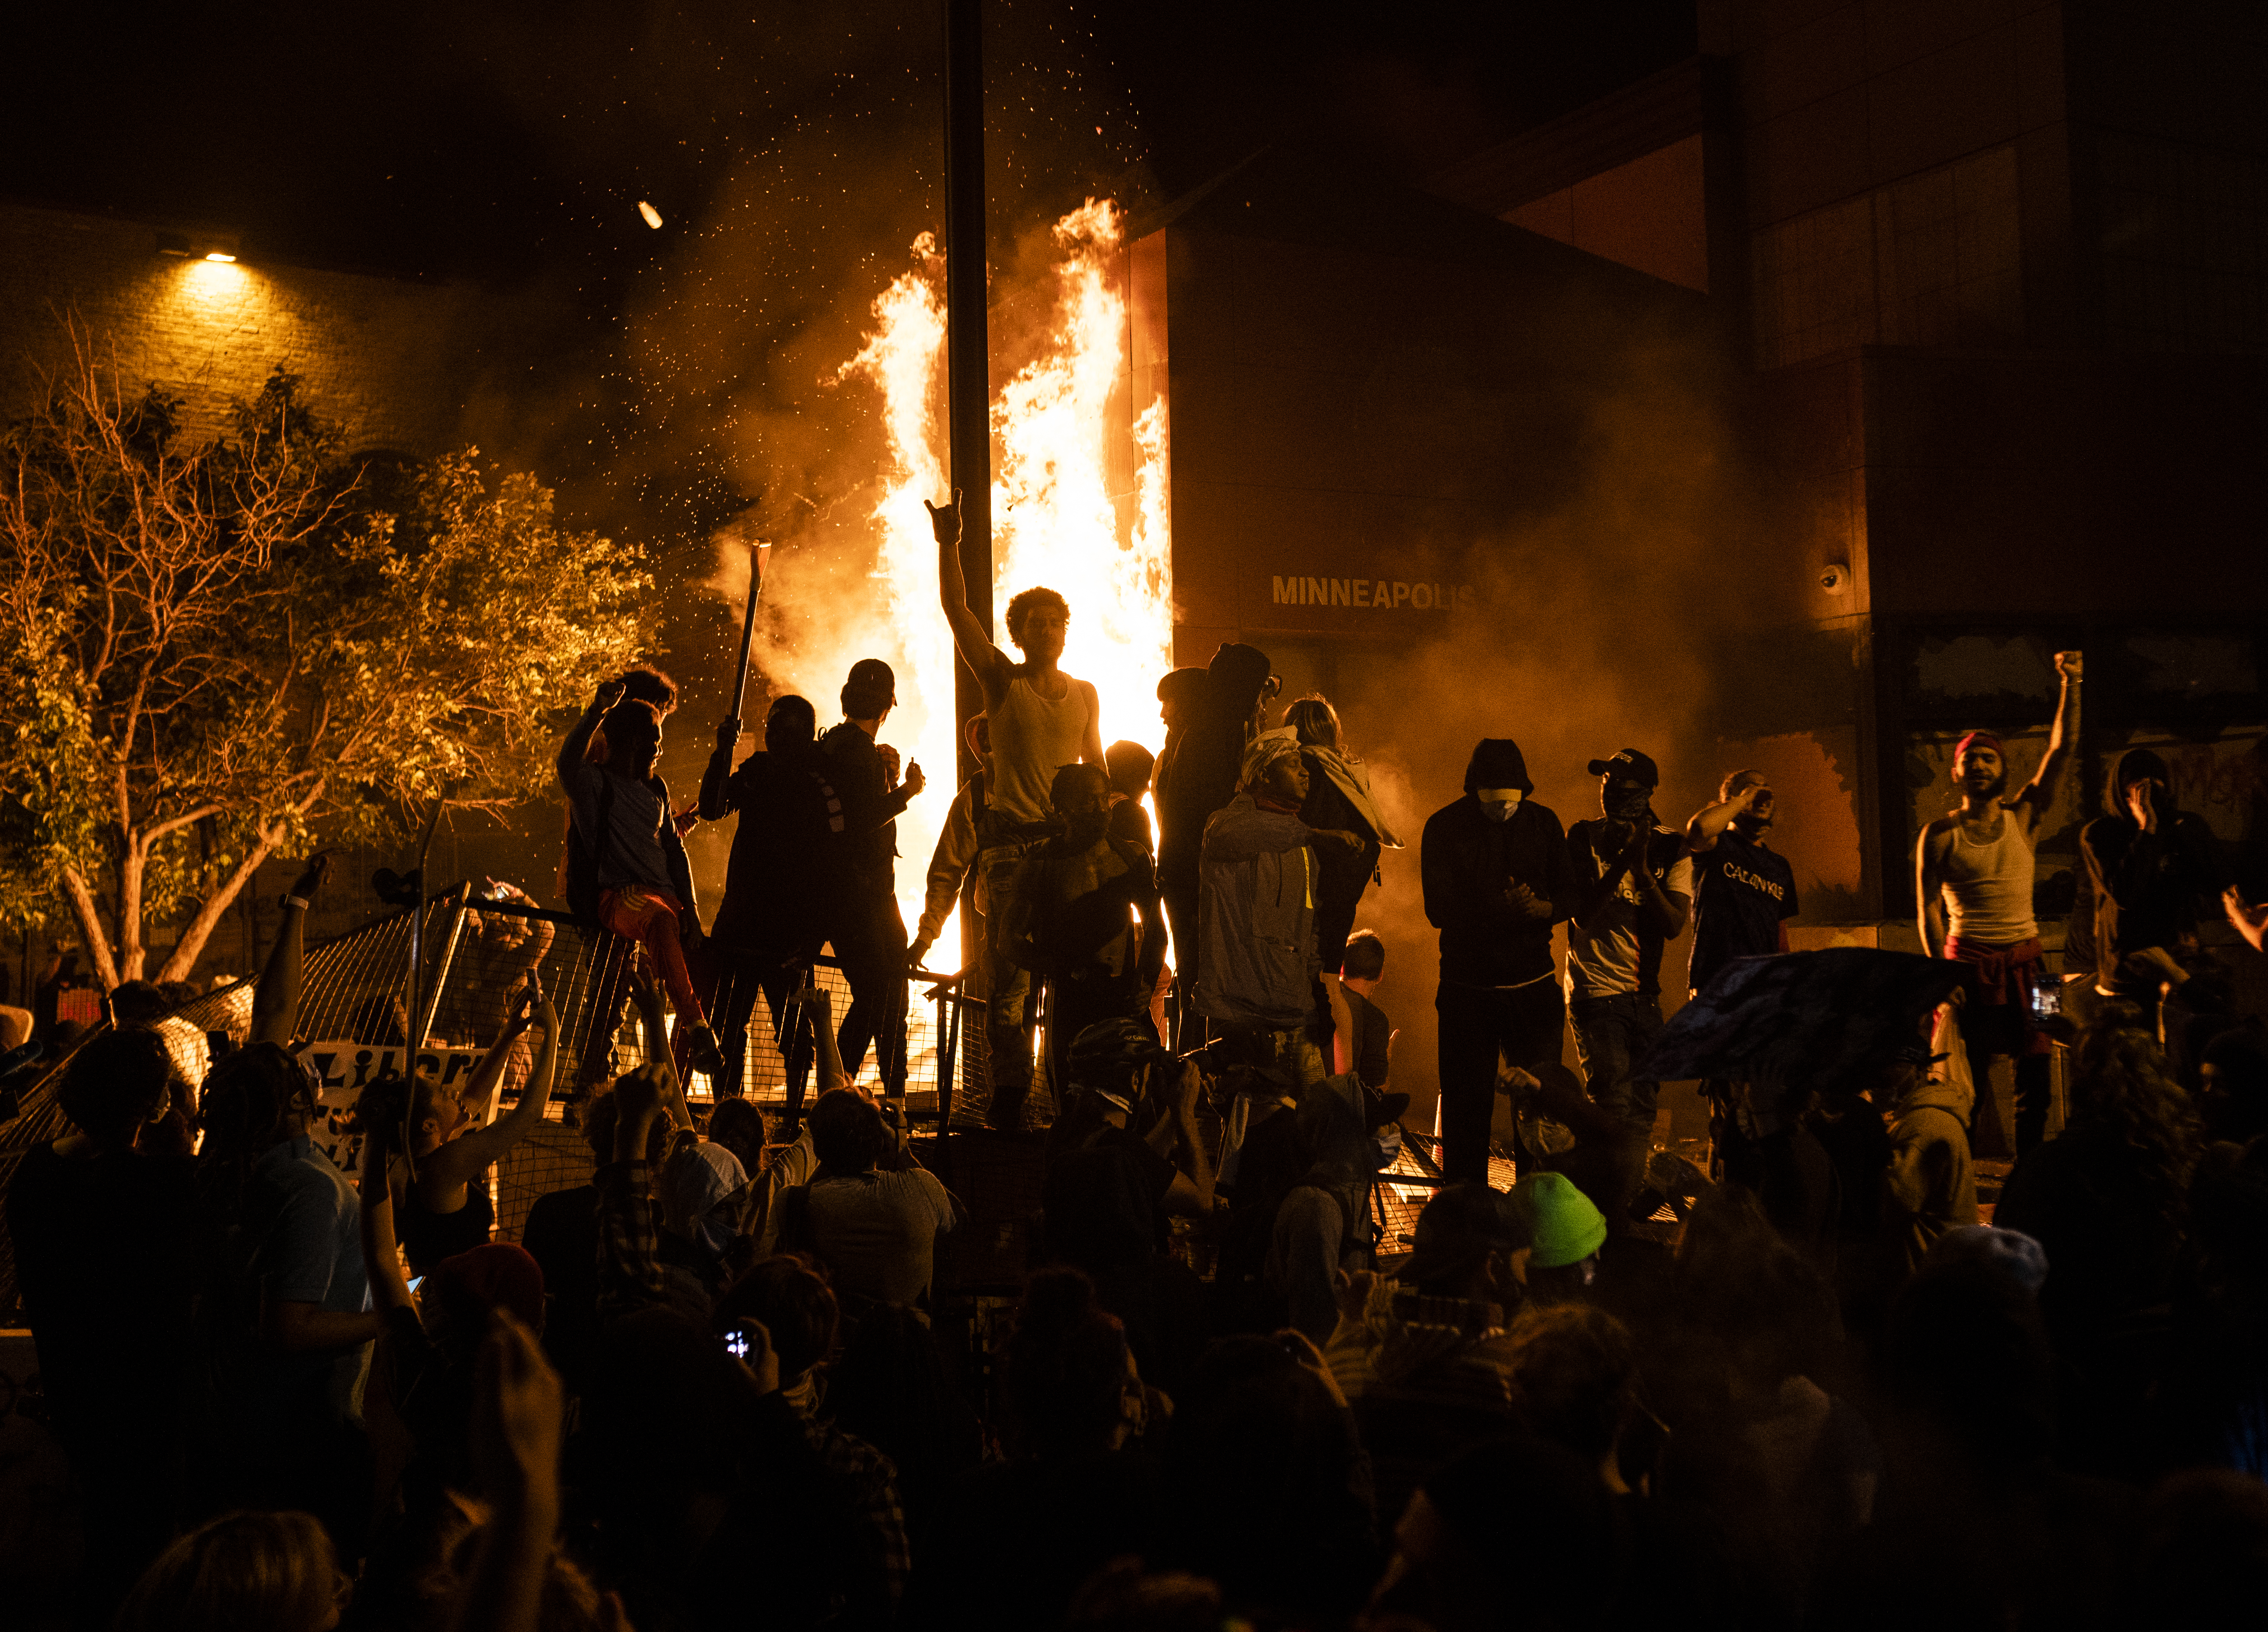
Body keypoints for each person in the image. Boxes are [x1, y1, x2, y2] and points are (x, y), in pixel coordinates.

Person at [6, 1024, 198, 1613]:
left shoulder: (38, 1172)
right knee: (147, 1542)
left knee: (107, 1527)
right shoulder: (166, 1185)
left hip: (72, 1383)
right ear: (157, 1102)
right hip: (149, 1395)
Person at [930, 494, 1104, 1127]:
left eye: (1054, 621)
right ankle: (1010, 1094)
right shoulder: (1003, 683)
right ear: (1019, 634)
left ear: (1065, 629)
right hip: (1010, 856)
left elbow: (1098, 771)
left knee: (1071, 976)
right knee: (1009, 984)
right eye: (1034, 622)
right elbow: (957, 612)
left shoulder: (1085, 694)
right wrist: (948, 546)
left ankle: (1068, 1089)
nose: (1046, 631)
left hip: (1067, 855)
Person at [1916, 651, 2082, 1156]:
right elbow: (1927, 910)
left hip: (2035, 965)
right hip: (1969, 967)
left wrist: (2071, 684)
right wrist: (1941, 980)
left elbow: (2063, 748)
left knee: (2040, 1074)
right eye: (1971, 758)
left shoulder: (2025, 816)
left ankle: (2032, 1173)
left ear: (2003, 769)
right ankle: (1963, 1181)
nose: (1980, 765)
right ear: (1956, 772)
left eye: (1989, 757)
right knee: (1968, 1086)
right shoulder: (1939, 835)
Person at [1421, 737, 1576, 1184]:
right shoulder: (1444, 827)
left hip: (1532, 987)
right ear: (1474, 792)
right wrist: (1499, 907)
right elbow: (1438, 909)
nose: (1503, 811)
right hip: (1468, 990)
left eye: (1511, 803)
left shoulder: (1544, 823)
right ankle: (1466, 1212)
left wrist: (1542, 909)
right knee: (1466, 1106)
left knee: (1540, 1106)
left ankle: (1537, 1203)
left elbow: (1569, 895)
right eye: (1493, 804)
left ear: (1524, 793)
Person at [557, 677, 723, 1080]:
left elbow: (670, 850)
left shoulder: (656, 788)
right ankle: (696, 1030)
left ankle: (616, 1079)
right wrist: (598, 710)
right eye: (655, 738)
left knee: (625, 991)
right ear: (633, 741)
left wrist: (693, 913)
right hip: (618, 899)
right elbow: (567, 764)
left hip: (657, 895)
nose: (660, 749)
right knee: (611, 990)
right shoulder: (594, 783)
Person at [700, 692, 850, 1114]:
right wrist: (721, 754)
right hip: (741, 929)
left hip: (785, 937)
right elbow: (713, 807)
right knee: (729, 1028)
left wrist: (811, 937)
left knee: (794, 1035)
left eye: (784, 728)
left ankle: (793, 1116)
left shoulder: (819, 784)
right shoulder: (758, 770)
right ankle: (726, 1112)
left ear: (804, 734)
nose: (774, 735)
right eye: (771, 727)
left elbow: (834, 869)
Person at [1563, 748, 1693, 1212]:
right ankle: (1604, 1214)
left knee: (1641, 1111)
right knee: (1612, 1108)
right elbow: (1582, 913)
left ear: (1647, 793)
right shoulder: (1582, 837)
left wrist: (1642, 871)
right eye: (1606, 783)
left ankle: (1617, 1210)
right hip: (1597, 993)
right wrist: (1621, 862)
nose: (1612, 792)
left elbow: (1675, 924)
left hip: (1644, 996)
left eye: (1624, 787)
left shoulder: (1671, 846)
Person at [1195, 734, 1363, 1087]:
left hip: (1295, 1012)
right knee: (1251, 1129)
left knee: (1309, 1122)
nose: (1305, 774)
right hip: (1242, 1014)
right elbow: (1251, 832)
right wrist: (1315, 835)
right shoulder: (1227, 825)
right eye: (1293, 764)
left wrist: (1317, 997)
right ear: (1263, 776)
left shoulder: (1302, 844)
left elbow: (1307, 925)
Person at [359, 981, 560, 1277]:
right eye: (442, 1093)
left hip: (439, 1291)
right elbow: (529, 1114)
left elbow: (474, 1098)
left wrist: (509, 1034)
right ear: (430, 1125)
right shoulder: (442, 1168)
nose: (453, 1092)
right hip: (463, 1299)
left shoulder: (411, 1160)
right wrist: (553, 1032)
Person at [1005, 762, 1168, 1110]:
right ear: (1061, 809)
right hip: (1071, 1002)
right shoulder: (1040, 866)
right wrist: (1058, 968)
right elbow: (1010, 941)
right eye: (1087, 801)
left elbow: (1157, 931)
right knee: (1074, 1102)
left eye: (1102, 798)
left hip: (1123, 1000)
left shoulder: (1130, 857)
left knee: (1142, 1102)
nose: (1100, 809)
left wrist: (1144, 985)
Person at [820, 659, 928, 1099]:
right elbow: (864, 820)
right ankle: (874, 1092)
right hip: (865, 898)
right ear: (885, 705)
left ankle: (843, 1087)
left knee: (880, 995)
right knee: (885, 996)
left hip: (852, 895)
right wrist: (907, 791)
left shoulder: (832, 745)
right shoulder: (858, 750)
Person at [1156, 644, 1278, 1019]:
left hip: (1193, 877)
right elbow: (1214, 818)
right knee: (1204, 979)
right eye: (1258, 691)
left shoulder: (1215, 730)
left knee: (1202, 975)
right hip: (1197, 879)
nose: (1261, 703)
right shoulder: (1213, 736)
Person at [2081, 746, 2225, 1013]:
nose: (2147, 791)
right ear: (2120, 790)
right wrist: (2147, 829)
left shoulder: (2186, 825)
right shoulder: (2100, 834)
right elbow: (2124, 893)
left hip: (2181, 963)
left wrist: (2178, 832)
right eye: (2137, 783)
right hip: (2129, 970)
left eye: (2153, 781)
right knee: (2135, 1049)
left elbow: (2216, 881)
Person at [793, 1086, 959, 1312]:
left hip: (835, 1340)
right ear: (880, 1139)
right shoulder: (922, 1187)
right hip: (908, 1341)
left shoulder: (797, 1202)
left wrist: (830, 1150)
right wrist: (901, 1149)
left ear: (819, 1148)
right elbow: (960, 1220)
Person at [1281, 694, 1400, 975]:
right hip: (1344, 895)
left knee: (1304, 979)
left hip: (1311, 900)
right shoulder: (1349, 773)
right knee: (1328, 975)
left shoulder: (1300, 769)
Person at [1883, 1043, 1980, 1277]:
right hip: (1939, 1260)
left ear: (1918, 1071)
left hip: (1926, 1262)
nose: (1885, 1075)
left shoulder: (1926, 1124)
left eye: (1895, 1067)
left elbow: (1900, 1197)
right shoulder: (1922, 1116)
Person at [908, 712, 994, 975]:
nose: (991, 745)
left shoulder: (1053, 786)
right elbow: (948, 870)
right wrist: (926, 936)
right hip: (1002, 933)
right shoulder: (975, 796)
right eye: (985, 738)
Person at [1104, 738, 1157, 851]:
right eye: (1146, 781)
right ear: (1132, 779)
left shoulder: (1101, 808)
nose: (1148, 789)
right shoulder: (1135, 814)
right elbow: (1147, 861)